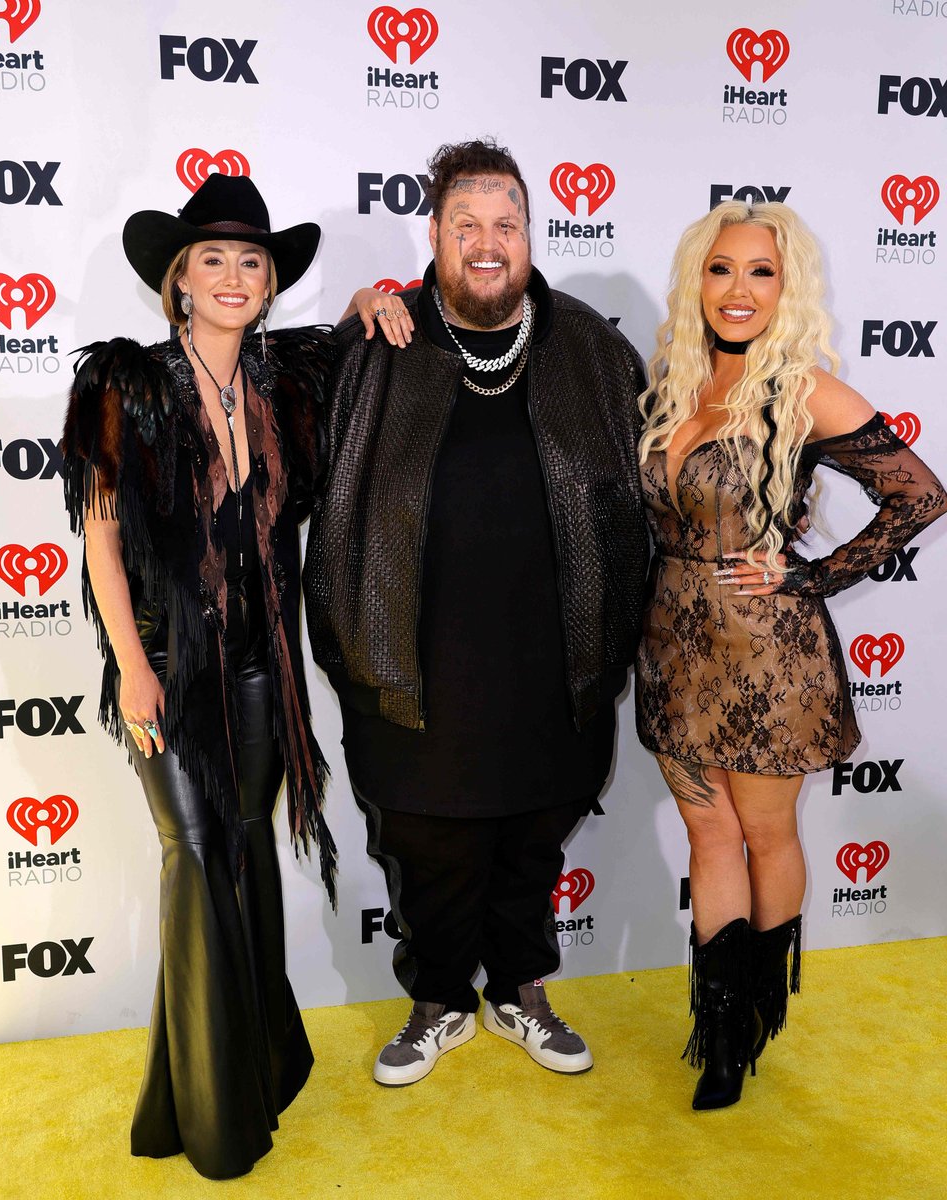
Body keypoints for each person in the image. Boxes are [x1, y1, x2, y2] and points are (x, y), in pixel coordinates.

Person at [61, 174, 412, 1178]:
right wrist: (131, 667)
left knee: (248, 850)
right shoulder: (125, 383)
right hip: (167, 664)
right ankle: (210, 1121)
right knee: (195, 855)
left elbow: (357, 342)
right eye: (210, 259)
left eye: (250, 261)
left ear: (268, 284)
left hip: (265, 665)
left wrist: (365, 303)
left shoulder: (285, 378)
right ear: (175, 280)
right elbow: (98, 534)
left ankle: (247, 1074)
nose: (231, 275)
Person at [304, 138, 650, 1087]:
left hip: (559, 660)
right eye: (468, 225)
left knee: (533, 837)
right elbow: (269, 421)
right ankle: (440, 999)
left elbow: (658, 482)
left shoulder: (590, 345)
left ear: (532, 232)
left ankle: (520, 991)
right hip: (405, 657)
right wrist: (345, 320)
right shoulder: (374, 344)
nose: (489, 243)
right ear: (435, 234)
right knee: (428, 844)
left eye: (508, 224)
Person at [634, 200, 947, 1111]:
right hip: (674, 650)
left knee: (767, 833)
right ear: (698, 280)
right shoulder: (672, 385)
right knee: (709, 834)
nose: (738, 290)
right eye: (722, 269)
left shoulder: (803, 391)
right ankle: (722, 1021)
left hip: (768, 658)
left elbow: (920, 497)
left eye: (760, 272)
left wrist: (808, 578)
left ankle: (746, 1027)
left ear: (787, 287)